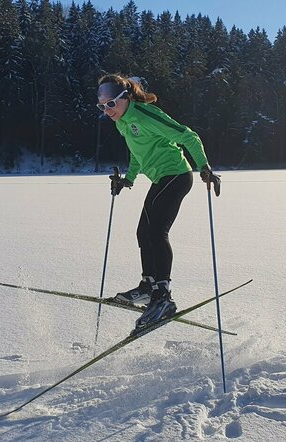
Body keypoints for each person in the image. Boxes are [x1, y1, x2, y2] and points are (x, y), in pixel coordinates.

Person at [96, 73, 220, 332]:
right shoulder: (123, 122)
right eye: (102, 105)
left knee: (156, 232)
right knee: (143, 232)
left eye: (111, 104)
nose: (107, 110)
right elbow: (138, 154)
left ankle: (162, 296)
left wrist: (204, 167)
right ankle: (148, 286)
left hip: (176, 175)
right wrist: (127, 180)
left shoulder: (145, 114)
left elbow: (189, 136)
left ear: (126, 98)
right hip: (161, 178)